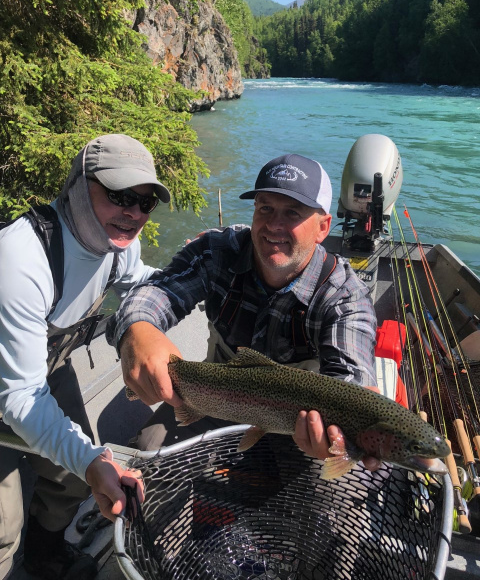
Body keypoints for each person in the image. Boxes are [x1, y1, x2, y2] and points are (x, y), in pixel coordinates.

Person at [108, 153, 380, 466]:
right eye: (265, 208)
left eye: (292, 213)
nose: (274, 225)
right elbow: (156, 293)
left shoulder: (345, 297)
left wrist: (352, 422)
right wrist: (137, 329)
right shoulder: (217, 251)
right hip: (213, 401)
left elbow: (351, 375)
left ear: (322, 228)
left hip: (301, 429)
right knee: (145, 455)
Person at [0, 134, 171, 579]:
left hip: (47, 370)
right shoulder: (20, 259)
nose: (133, 212)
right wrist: (93, 461)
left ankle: (44, 555)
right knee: (3, 525)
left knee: (72, 478)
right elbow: (19, 396)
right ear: (77, 184)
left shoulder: (121, 246)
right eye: (118, 195)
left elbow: (143, 283)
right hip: (15, 385)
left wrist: (204, 271)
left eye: (145, 201)